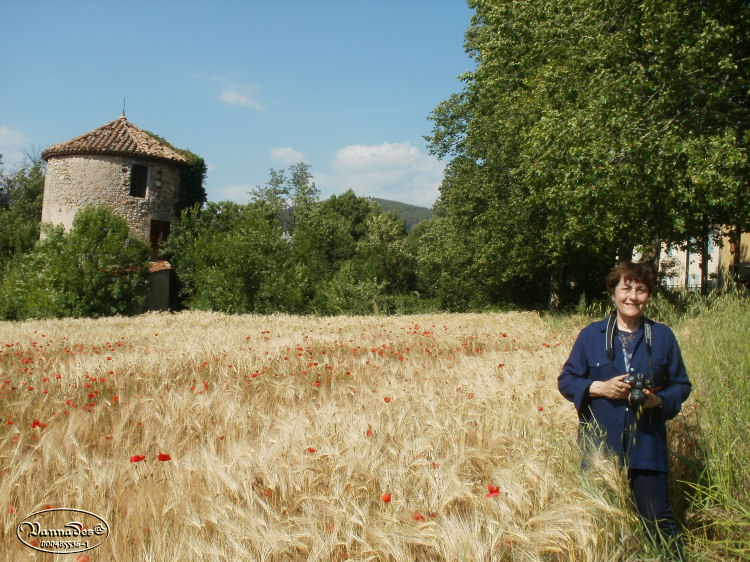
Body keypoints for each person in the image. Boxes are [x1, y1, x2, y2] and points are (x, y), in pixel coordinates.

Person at [558, 262, 691, 559]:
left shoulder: (663, 337)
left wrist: (659, 401)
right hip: (600, 446)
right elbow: (567, 380)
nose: (633, 296)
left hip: (647, 446)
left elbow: (681, 384)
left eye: (641, 290)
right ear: (613, 293)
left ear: (649, 295)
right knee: (598, 523)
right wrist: (599, 388)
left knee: (659, 520)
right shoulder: (591, 336)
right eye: (626, 289)